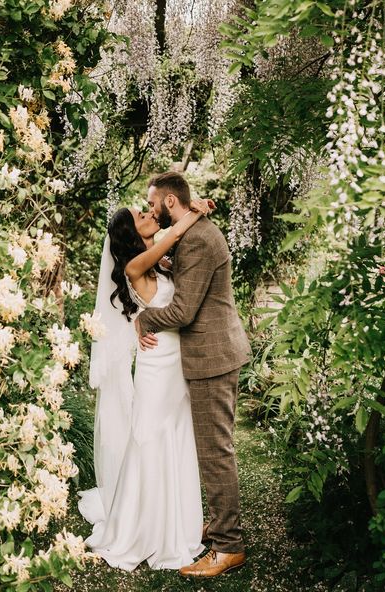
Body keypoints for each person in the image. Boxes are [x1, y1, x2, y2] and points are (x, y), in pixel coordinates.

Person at [77, 197, 211, 571]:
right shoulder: (138, 264)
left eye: (148, 211)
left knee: (177, 438)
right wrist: (194, 212)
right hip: (155, 368)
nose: (149, 215)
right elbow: (175, 233)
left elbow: (171, 262)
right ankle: (141, 530)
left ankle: (181, 526)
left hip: (174, 364)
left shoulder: (159, 264)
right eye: (141, 216)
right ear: (130, 234)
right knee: (150, 440)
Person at [136, 171, 250, 578]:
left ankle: (228, 546)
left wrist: (146, 318)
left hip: (212, 357)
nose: (150, 210)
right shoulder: (194, 231)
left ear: (170, 202)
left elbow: (183, 311)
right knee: (212, 449)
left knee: (215, 452)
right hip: (212, 354)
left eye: (153, 203)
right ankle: (220, 527)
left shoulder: (199, 239)